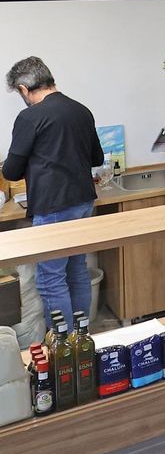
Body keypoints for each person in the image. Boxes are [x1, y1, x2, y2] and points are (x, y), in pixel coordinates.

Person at [3, 57, 102, 322]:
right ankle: (81, 339)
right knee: (77, 270)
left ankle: (64, 350)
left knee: (50, 279)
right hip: (83, 202)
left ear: (24, 89)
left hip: (54, 206)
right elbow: (97, 158)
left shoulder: (29, 117)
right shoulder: (81, 110)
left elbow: (10, 172)